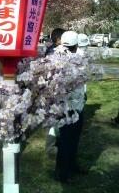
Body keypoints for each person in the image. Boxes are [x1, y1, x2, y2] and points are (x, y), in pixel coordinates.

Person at [55, 31, 87, 183]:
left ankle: (72, 165)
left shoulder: (79, 57)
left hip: (78, 105)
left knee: (74, 139)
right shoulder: (58, 58)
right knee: (65, 141)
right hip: (66, 108)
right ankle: (63, 173)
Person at [45, 28, 66, 158]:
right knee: (55, 119)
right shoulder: (54, 52)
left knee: (58, 119)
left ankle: (55, 146)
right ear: (58, 40)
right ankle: (51, 149)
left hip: (55, 89)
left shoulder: (51, 50)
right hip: (55, 89)